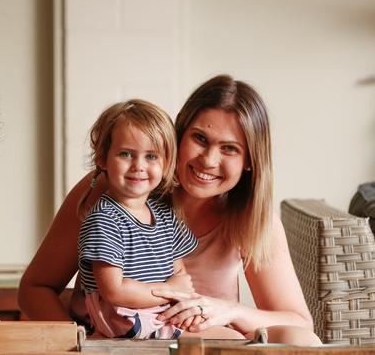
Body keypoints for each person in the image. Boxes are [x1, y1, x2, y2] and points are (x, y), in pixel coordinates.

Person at [19, 75, 320, 344]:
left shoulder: (253, 217)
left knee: (300, 340)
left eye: (230, 149)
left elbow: (299, 322)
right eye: (200, 138)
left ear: (250, 161)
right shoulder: (115, 188)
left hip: (202, 344)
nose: (208, 161)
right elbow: (35, 287)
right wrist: (76, 344)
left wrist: (226, 310)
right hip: (114, 341)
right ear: (179, 135)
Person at [77, 99, 243, 340]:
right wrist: (170, 292)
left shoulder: (164, 215)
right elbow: (114, 291)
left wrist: (182, 299)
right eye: (126, 154)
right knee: (231, 342)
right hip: (125, 321)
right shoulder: (105, 219)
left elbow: (180, 273)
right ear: (103, 158)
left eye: (152, 157)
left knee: (233, 338)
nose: (139, 166)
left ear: (167, 164)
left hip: (158, 312)